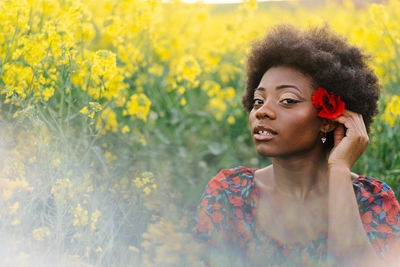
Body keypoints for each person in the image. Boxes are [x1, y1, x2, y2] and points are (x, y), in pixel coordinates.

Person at [193, 24, 400, 266]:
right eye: (258, 100)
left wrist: (340, 169)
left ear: (328, 119)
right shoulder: (228, 194)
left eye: (287, 100)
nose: (262, 112)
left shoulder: (373, 200)